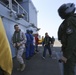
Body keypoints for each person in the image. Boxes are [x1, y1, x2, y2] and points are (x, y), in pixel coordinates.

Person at [58, 3, 76, 75]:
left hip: (71, 52)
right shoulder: (70, 19)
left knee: (68, 72)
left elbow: (72, 40)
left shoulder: (70, 20)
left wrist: (66, 56)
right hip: (71, 51)